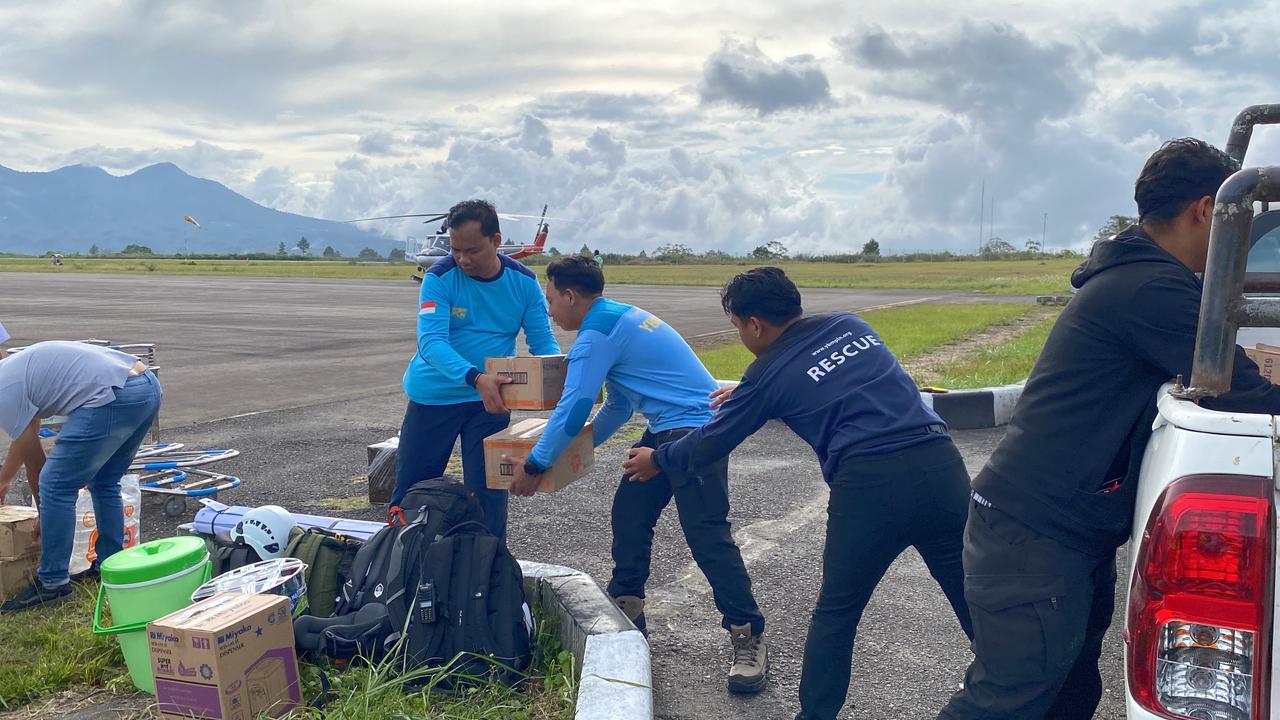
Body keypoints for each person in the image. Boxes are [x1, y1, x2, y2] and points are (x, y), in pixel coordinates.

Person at [936, 138, 1280, 720]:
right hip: (1033, 536)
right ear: (1205, 210)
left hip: (1051, 529)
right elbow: (1244, 393)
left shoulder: (1140, 274)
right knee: (1007, 701)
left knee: (1067, 693)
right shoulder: (1152, 288)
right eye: (1237, 222)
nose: (1241, 242)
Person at [624, 267, 973, 720]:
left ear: (754, 324)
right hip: (942, 467)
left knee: (838, 613)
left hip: (870, 486)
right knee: (972, 591)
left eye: (736, 326)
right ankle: (1016, 690)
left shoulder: (766, 375)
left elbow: (711, 441)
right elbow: (833, 381)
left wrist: (659, 458)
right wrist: (750, 394)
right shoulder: (851, 325)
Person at [504, 255, 770, 693]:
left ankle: (748, 634)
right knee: (630, 514)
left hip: (695, 430)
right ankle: (629, 613)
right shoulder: (616, 318)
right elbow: (619, 405)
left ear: (570, 296)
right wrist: (576, 454)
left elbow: (573, 408)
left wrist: (536, 465)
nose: (549, 312)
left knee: (706, 535)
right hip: (667, 425)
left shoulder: (597, 334)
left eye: (551, 300)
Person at [391, 199, 560, 541]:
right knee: (414, 492)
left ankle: (485, 569)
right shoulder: (439, 277)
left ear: (496, 241)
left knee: (488, 496)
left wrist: (558, 381)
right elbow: (432, 342)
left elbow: (544, 345)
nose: (463, 259)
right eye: (456, 250)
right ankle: (401, 565)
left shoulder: (524, 283)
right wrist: (475, 378)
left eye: (473, 250)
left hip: (491, 402)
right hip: (435, 398)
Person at [0, 341, 162, 611]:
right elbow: (27, 443)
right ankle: (109, 566)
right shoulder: (15, 373)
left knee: (56, 484)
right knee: (104, 480)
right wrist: (5, 479)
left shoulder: (3, 392)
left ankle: (53, 583)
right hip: (146, 386)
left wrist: (45, 517)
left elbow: (41, 470)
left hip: (114, 396)